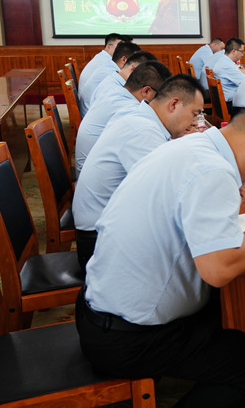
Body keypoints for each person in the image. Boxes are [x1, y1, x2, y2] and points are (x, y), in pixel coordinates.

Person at [76, 104, 245, 408]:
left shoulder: (192, 147)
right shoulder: (213, 171)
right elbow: (219, 270)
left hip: (99, 310)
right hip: (126, 338)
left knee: (232, 313)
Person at [72, 75, 205, 270]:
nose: (195, 123)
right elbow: (168, 194)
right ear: (174, 104)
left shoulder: (139, 115)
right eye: (195, 114)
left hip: (105, 225)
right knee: (199, 255)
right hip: (98, 241)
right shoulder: (142, 130)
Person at [75, 58, 170, 174]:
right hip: (87, 170)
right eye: (160, 96)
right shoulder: (128, 108)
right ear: (146, 91)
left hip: (90, 166)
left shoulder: (118, 94)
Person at [79, 40, 140, 116]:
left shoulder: (108, 67)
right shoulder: (110, 73)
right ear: (124, 60)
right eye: (135, 61)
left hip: (91, 111)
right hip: (89, 113)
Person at [208, 37, 245, 102]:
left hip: (225, 99)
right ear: (234, 51)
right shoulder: (227, 66)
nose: (242, 55)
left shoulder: (223, 60)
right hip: (231, 102)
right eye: (241, 51)